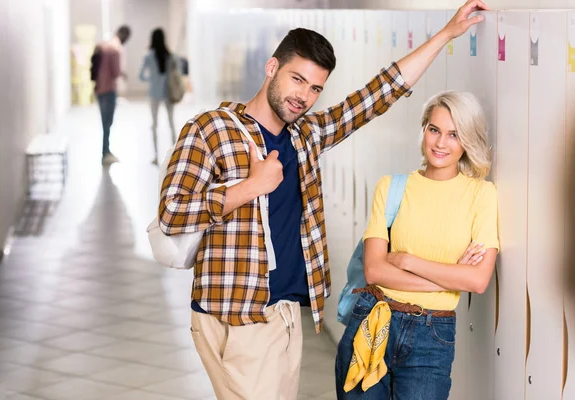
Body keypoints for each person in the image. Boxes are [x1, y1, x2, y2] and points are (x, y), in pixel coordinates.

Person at [158, 1, 488, 398]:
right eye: (297, 80)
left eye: (315, 87)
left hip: (284, 313)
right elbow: (171, 212)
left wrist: (447, 34)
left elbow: (375, 96)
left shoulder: (305, 136)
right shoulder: (210, 130)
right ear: (271, 67)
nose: (304, 96)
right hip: (236, 313)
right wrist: (249, 187)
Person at [334, 91, 499, 399]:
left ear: (467, 140)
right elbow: (373, 270)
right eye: (434, 130)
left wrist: (407, 261)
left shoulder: (481, 195)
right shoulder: (391, 187)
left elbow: (477, 280)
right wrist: (448, 278)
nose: (440, 143)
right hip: (373, 320)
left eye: (454, 134)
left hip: (432, 335)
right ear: (423, 129)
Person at [139, 28, 178, 164]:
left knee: (154, 125)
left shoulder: (148, 56)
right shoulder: (170, 55)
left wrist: (152, 79)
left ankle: (156, 156)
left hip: (154, 93)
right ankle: (176, 154)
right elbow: (177, 70)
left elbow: (141, 76)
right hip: (168, 93)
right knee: (171, 123)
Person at [94, 25, 131, 166]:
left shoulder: (104, 45)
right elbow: (115, 73)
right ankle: (106, 152)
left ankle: (106, 151)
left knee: (104, 122)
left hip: (98, 88)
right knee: (107, 123)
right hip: (109, 89)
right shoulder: (116, 49)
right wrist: (122, 73)